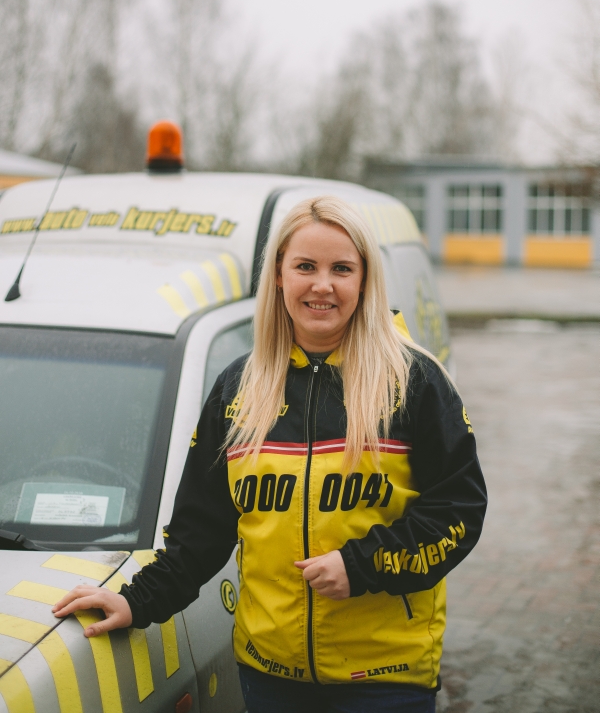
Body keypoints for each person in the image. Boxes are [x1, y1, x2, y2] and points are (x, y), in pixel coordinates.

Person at [53, 196, 487, 712]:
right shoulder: (238, 388)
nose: (322, 285)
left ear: (365, 280)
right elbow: (201, 531)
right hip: (269, 676)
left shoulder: (415, 381)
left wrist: (362, 565)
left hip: (385, 677)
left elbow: (459, 510)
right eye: (305, 266)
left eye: (341, 269)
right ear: (279, 276)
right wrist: (135, 601)